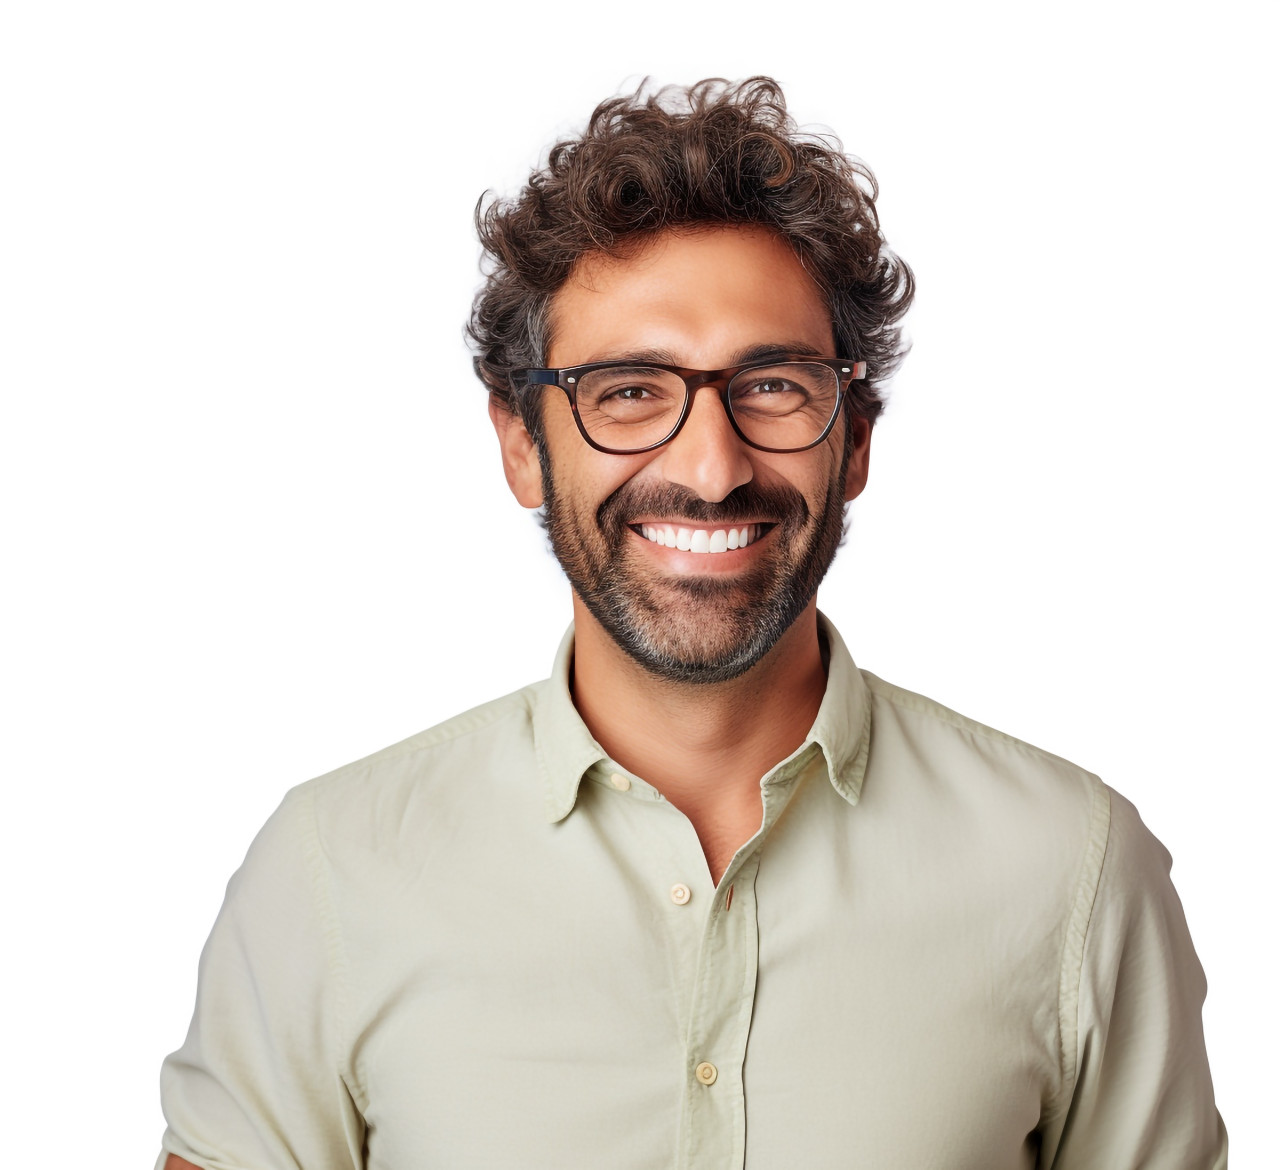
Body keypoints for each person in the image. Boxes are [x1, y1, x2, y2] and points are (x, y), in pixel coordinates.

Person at [156, 77, 1226, 1169]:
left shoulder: (1070, 869)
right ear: (521, 443)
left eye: (770, 385)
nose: (710, 470)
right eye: (626, 391)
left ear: (853, 438)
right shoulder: (333, 870)